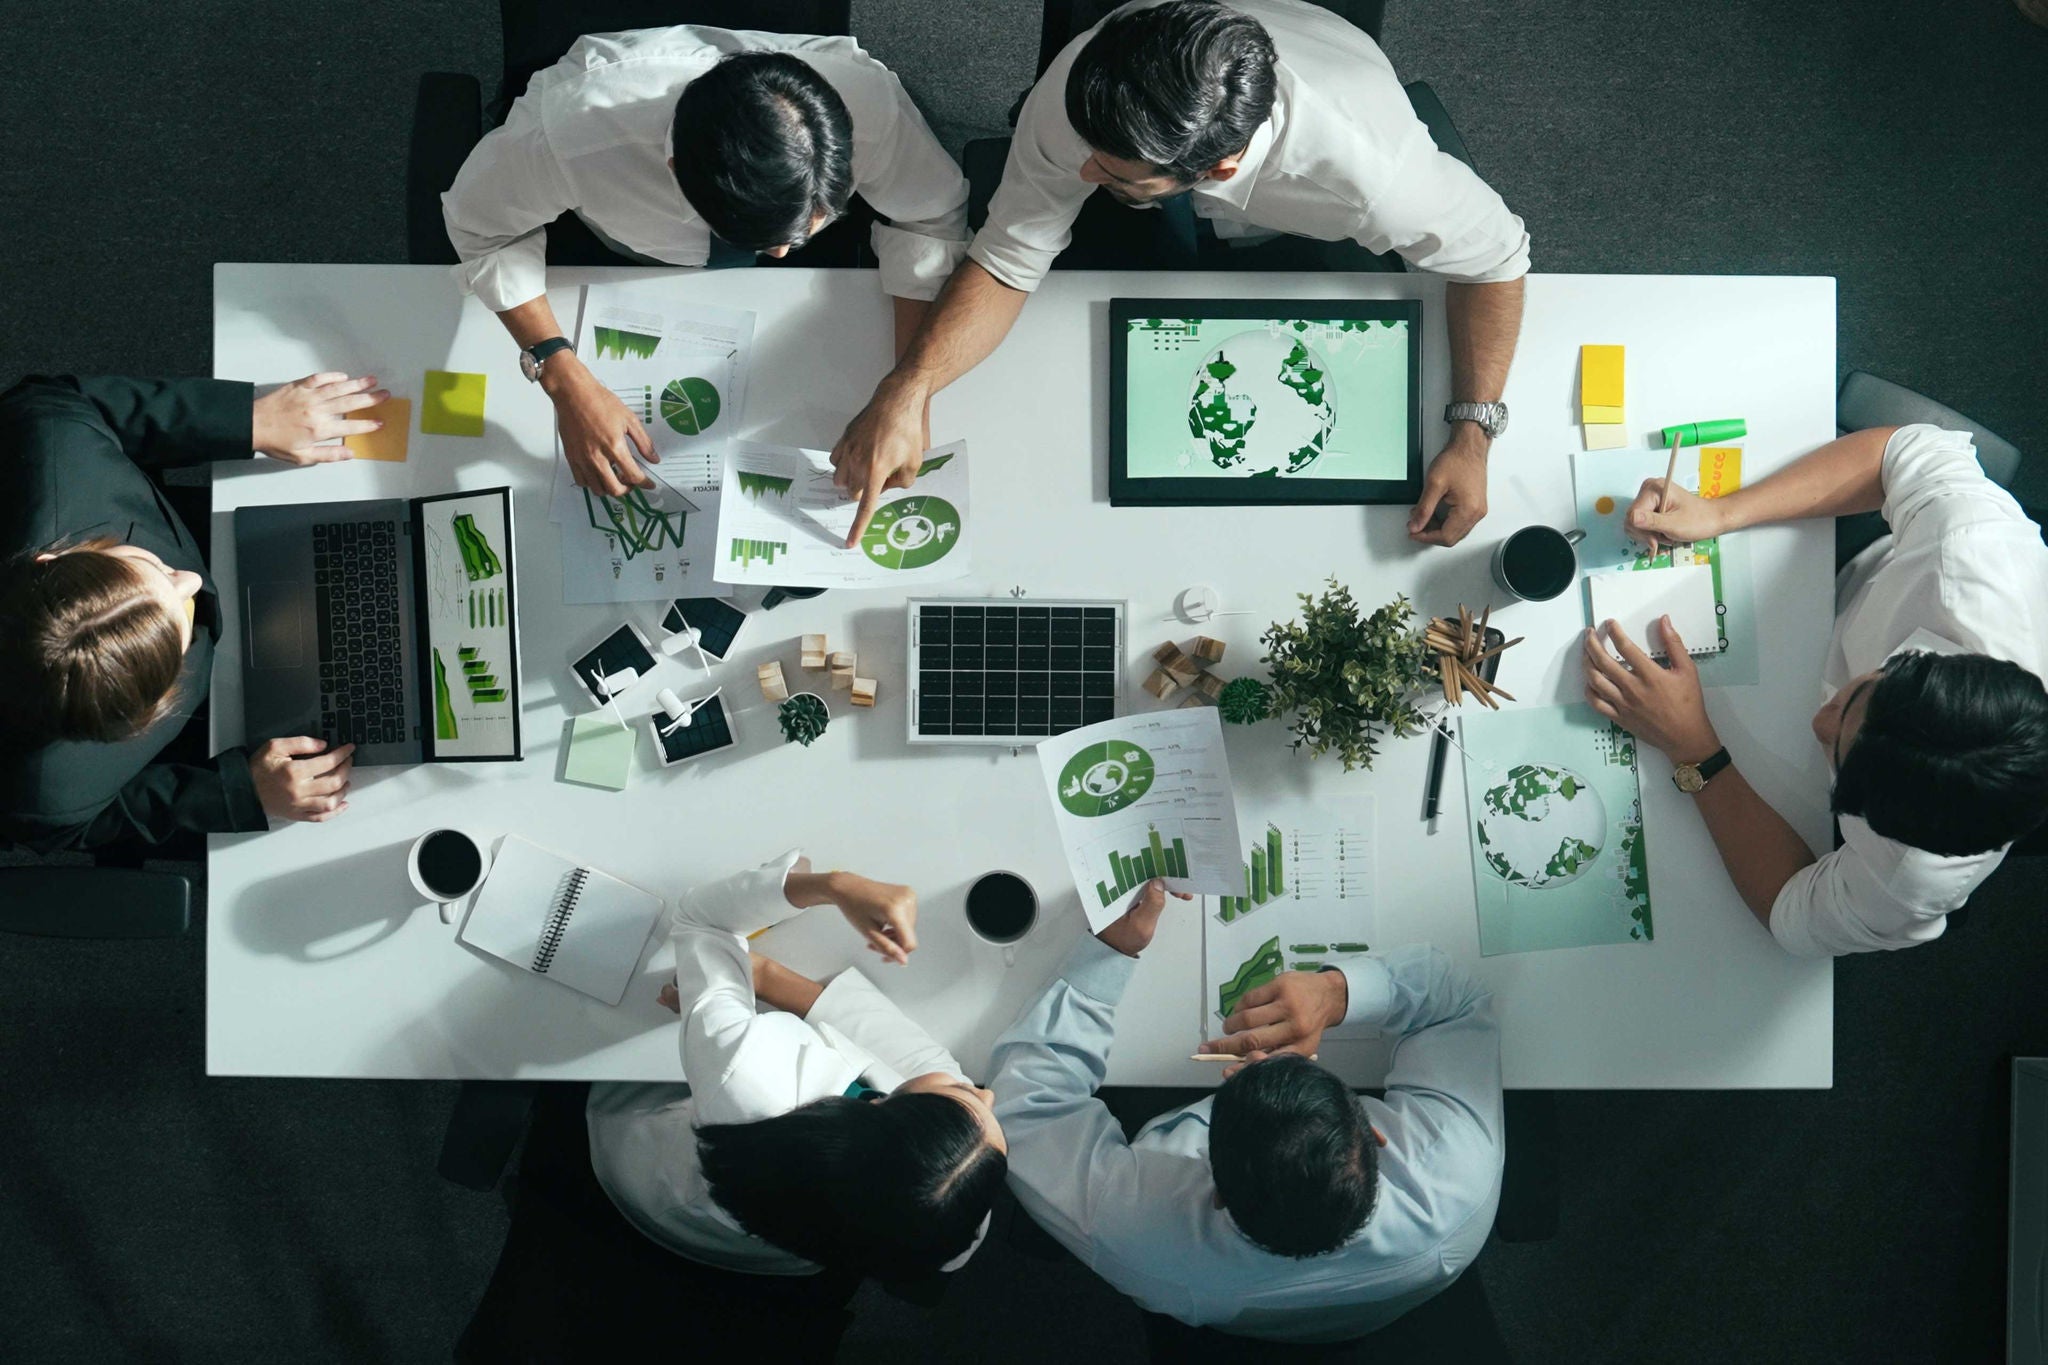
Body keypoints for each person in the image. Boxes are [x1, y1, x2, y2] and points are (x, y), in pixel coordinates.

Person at [830, 0, 1530, 547]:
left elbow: (1498, 258)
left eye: (1107, 170)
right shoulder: (1085, 85)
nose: (1081, 173)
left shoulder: (1376, 175)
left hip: (1303, 214)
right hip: (1173, 183)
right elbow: (1011, 257)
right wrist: (907, 386)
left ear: (1217, 170)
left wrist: (1473, 436)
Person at [442, 26, 971, 499]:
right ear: (674, 170)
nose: (782, 254)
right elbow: (482, 229)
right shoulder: (572, 135)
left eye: (799, 231)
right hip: (624, 263)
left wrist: (908, 392)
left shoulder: (870, 106)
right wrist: (562, 376)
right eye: (769, 241)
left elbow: (928, 219)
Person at [1584, 423, 2048, 955]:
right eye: (1856, 695)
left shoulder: (1917, 878)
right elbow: (1898, 452)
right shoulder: (1970, 557)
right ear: (1927, 660)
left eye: (1839, 759)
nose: (1818, 722)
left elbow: (1791, 912)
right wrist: (1721, 513)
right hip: (1853, 560)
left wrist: (1694, 749)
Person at [989, 880, 1502, 1342]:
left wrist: (1109, 951)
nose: (1256, 1053)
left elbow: (1026, 1105)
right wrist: (1334, 993)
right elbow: (1458, 1003)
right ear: (1373, 1133)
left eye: (1248, 1068)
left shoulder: (1136, 1235)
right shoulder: (1456, 1178)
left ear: (1214, 1190)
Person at [0, 372, 386, 852]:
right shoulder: (44, 794)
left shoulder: (53, 445)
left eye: (146, 566)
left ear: (52, 560)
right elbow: (87, 824)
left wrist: (247, 421)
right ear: (140, 715)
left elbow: (64, 400)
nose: (191, 581)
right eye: (176, 628)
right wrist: (237, 793)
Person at [586, 850, 1008, 1280]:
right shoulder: (951, 1213)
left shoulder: (751, 1080)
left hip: (660, 1175)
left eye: (965, 1092)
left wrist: (835, 886)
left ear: (880, 1109)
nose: (987, 1092)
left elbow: (701, 920)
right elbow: (916, 1055)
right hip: (790, 1245)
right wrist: (757, 976)